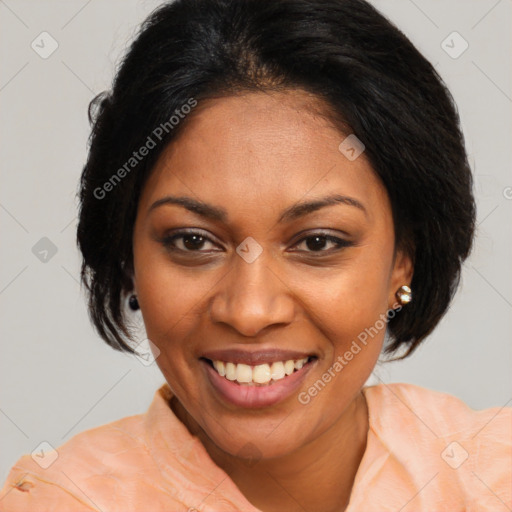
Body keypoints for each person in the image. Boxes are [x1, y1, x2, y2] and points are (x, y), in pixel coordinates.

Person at [1, 0, 510, 510]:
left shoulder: (491, 478)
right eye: (193, 241)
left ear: (405, 258)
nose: (249, 312)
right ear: (129, 259)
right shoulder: (61, 499)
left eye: (317, 242)